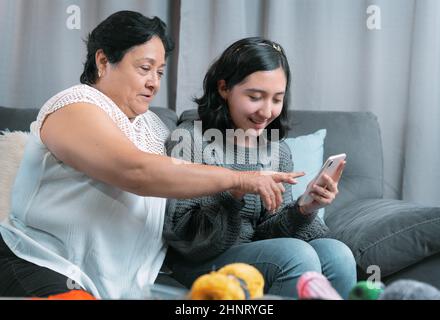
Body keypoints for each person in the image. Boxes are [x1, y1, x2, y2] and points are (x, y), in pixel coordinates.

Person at [0, 12, 301, 299]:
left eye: (159, 72)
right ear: (103, 61)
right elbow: (136, 172)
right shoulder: (74, 105)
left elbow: (182, 185)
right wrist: (240, 179)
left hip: (130, 282)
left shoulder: (154, 128)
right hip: (43, 262)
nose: (154, 82)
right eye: (144, 69)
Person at [163, 37, 357, 299]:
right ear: (224, 88)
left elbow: (268, 232)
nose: (267, 111)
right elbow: (187, 241)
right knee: (295, 256)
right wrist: (236, 188)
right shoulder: (189, 141)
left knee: (337, 254)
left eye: (277, 99)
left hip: (258, 256)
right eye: (255, 97)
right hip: (197, 261)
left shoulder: (276, 150)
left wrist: (304, 208)